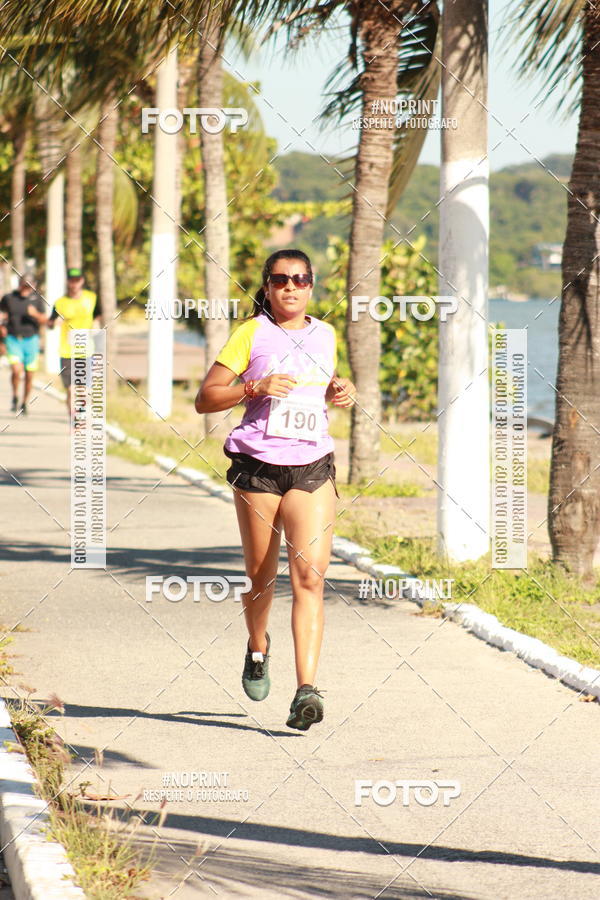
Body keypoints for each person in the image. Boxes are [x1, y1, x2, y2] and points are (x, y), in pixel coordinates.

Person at [195, 249, 356, 731]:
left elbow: (320, 389)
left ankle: (306, 691)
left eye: (301, 279)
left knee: (310, 577)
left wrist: (337, 392)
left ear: (312, 285)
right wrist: (253, 388)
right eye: (281, 279)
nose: (291, 287)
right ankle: (258, 647)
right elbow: (206, 398)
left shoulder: (325, 334)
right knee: (261, 576)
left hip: (311, 465)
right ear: (266, 286)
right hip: (258, 467)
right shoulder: (250, 334)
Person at [47, 267, 101, 422]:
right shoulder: (60, 303)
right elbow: (50, 323)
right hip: (66, 351)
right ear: (68, 282)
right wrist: (53, 323)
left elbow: (97, 316)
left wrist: (96, 327)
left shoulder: (92, 298)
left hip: (86, 350)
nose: (75, 284)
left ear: (82, 281)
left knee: (83, 390)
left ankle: (80, 417)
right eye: (72, 281)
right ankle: (73, 418)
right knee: (71, 391)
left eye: (77, 281)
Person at [0, 275, 47, 414]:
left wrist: (35, 314)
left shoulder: (37, 299)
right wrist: (2, 326)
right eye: (24, 286)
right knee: (16, 370)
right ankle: (15, 395)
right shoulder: (9, 297)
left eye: (29, 286)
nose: (26, 289)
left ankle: (24, 402)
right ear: (20, 285)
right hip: (13, 338)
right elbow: (2, 313)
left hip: (31, 339)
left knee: (29, 374)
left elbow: (45, 320)